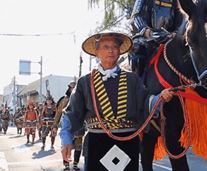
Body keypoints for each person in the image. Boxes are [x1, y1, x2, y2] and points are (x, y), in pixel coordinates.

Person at [60, 30, 177, 171]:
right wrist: (66, 141)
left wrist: (160, 98)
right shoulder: (85, 81)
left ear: (119, 51)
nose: (111, 50)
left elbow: (145, 102)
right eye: (105, 47)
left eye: (114, 46)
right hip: (96, 142)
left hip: (127, 141)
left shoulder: (132, 79)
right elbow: (71, 113)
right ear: (96, 52)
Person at [130, 0, 184, 78]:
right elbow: (137, 15)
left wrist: (177, 32)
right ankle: (137, 82)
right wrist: (144, 29)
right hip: (149, 36)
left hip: (170, 36)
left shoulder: (176, 0)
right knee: (136, 46)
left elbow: (181, 21)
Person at [54, 80, 84, 171]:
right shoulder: (64, 100)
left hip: (79, 126)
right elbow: (59, 113)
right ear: (70, 88)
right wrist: (55, 125)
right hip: (67, 126)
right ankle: (66, 164)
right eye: (72, 87)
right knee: (66, 144)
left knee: (78, 145)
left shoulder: (82, 99)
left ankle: (75, 164)